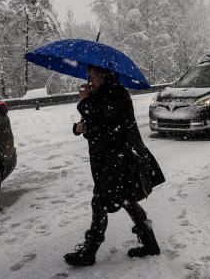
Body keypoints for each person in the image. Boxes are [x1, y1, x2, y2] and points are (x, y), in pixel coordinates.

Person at [64, 65, 166, 267]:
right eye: (89, 75)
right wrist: (80, 127)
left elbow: (103, 119)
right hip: (110, 158)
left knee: (99, 201)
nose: (89, 79)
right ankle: (150, 244)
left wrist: (85, 99)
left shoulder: (117, 92)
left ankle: (89, 251)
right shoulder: (102, 93)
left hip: (118, 158)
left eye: (92, 75)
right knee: (126, 199)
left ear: (103, 75)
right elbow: (97, 123)